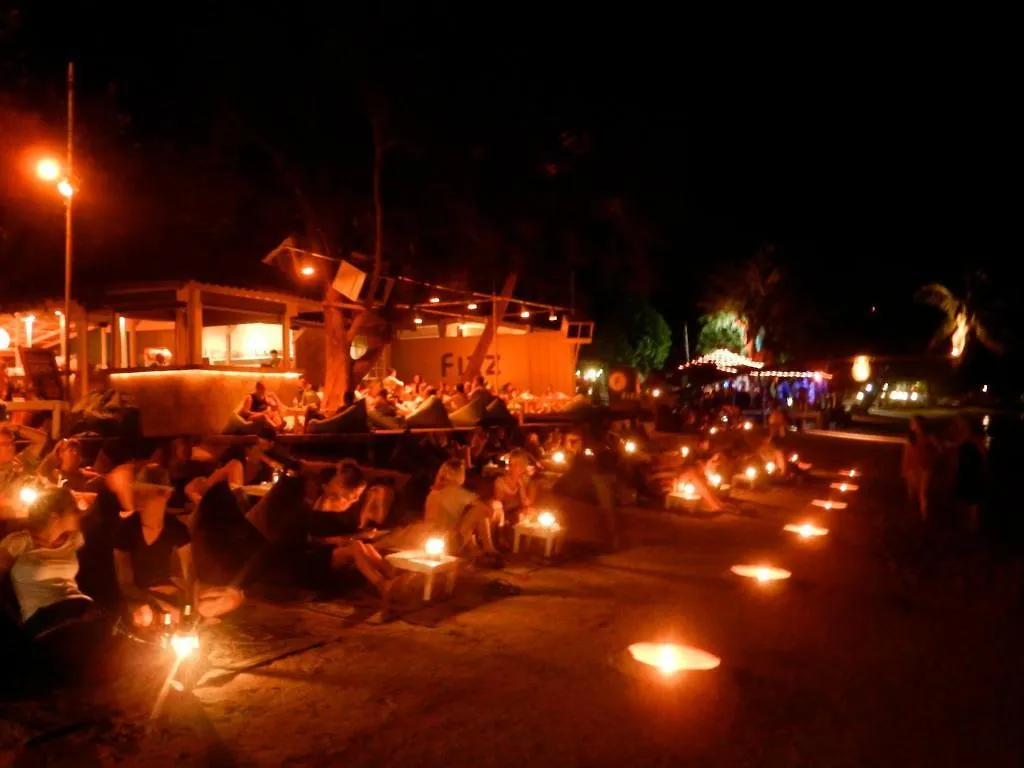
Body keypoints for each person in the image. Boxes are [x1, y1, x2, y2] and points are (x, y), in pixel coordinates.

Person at [115, 466, 243, 626]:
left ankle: (187, 616)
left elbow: (189, 576)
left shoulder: (177, 530)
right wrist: (153, 598)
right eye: (140, 493)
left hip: (174, 593)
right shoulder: (126, 530)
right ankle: (184, 618)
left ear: (166, 495)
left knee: (233, 596)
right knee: (144, 617)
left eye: (152, 493)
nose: (143, 499)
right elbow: (125, 583)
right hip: (142, 597)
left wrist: (188, 601)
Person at [0, 487, 96, 639]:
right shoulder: (18, 542)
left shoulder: (75, 539)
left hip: (79, 606)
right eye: (73, 510)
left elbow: (95, 507)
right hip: (43, 616)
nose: (78, 514)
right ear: (54, 517)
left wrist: (80, 495)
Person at [424, 459, 502, 567]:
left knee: (476, 513)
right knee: (480, 511)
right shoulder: (453, 491)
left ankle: (481, 551)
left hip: (434, 539)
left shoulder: (436, 491)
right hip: (445, 541)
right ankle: (488, 548)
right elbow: (487, 510)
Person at [1, 423, 48, 518]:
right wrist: (11, 503)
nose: (11, 447)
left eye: (12, 442)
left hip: (31, 517)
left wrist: (18, 428)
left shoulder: (21, 461)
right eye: (5, 444)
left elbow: (41, 440)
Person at [950, 416, 987, 533]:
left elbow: (982, 458)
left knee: (972, 502)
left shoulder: (973, 442)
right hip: (966, 473)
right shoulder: (964, 442)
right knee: (967, 501)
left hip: (972, 474)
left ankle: (973, 526)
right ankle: (969, 525)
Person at [902, 416, 936, 521]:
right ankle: (913, 515)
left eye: (914, 423)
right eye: (911, 423)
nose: (912, 425)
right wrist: (905, 469)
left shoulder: (927, 438)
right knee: (912, 492)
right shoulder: (910, 439)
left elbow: (938, 449)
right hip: (912, 468)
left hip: (923, 467)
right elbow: (906, 454)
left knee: (923, 492)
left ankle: (924, 515)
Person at [493, 450, 537, 526]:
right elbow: (498, 503)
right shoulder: (500, 481)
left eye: (516, 464)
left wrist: (521, 487)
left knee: (530, 513)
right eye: (510, 464)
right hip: (504, 513)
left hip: (522, 513)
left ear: (523, 467)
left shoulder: (530, 483)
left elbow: (526, 504)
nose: (512, 467)